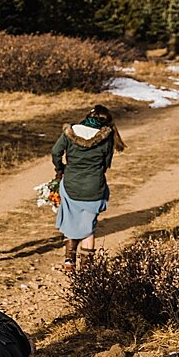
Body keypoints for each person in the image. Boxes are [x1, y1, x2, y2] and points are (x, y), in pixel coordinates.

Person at [50, 103, 123, 273]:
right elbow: (106, 163)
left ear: (89, 115)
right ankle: (87, 269)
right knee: (88, 227)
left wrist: (61, 169)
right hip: (94, 187)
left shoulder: (70, 132)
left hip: (71, 184)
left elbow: (55, 152)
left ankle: (69, 260)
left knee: (71, 221)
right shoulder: (107, 136)